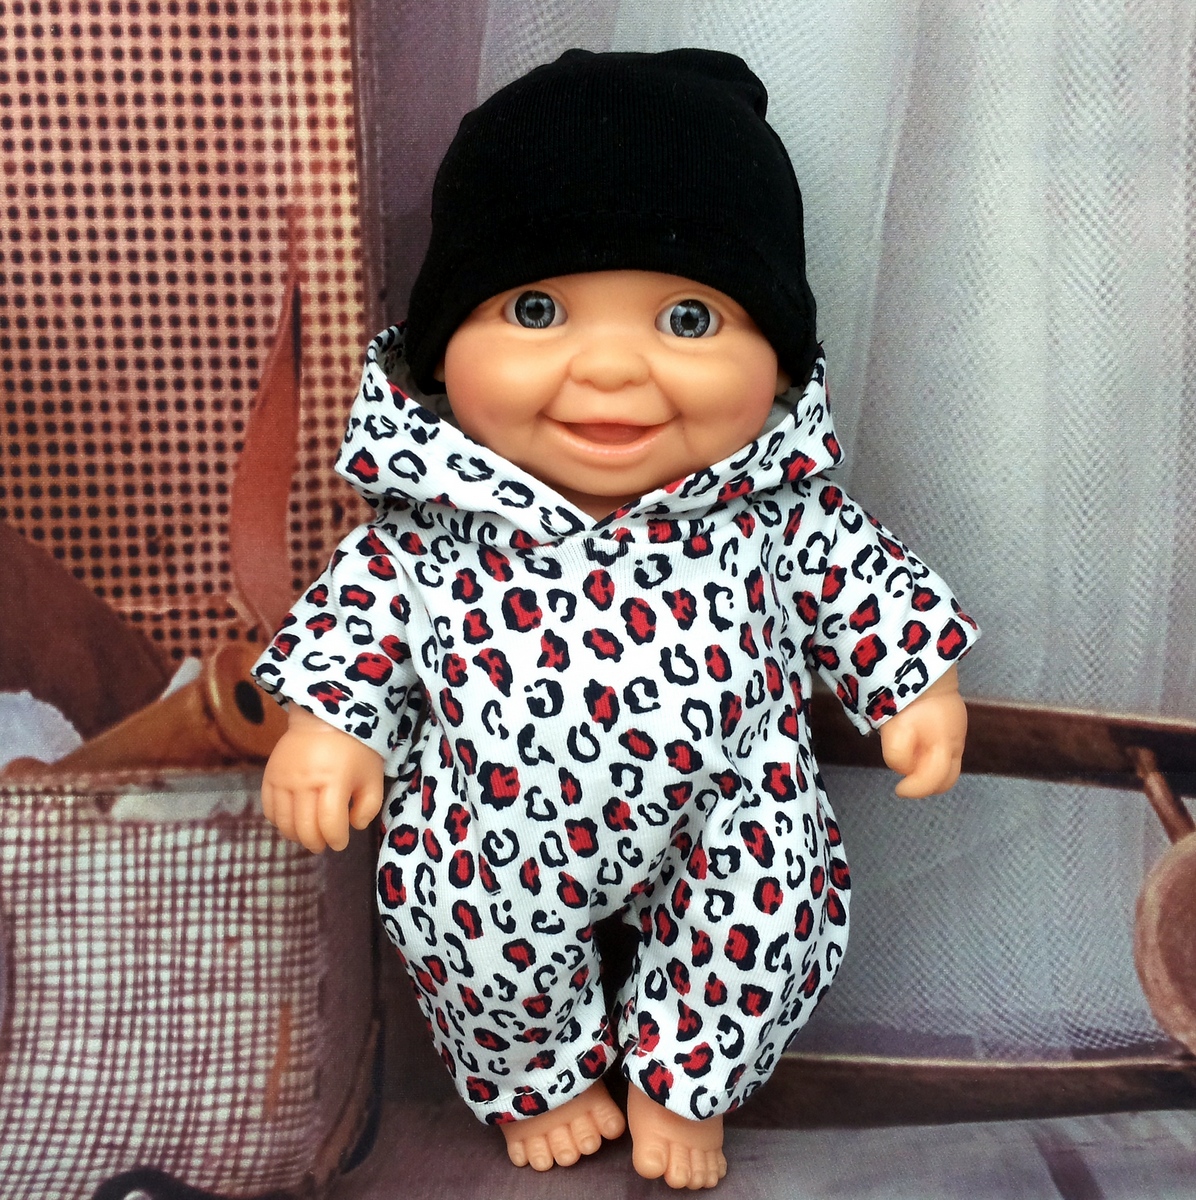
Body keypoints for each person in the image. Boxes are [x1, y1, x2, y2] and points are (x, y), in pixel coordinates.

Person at [251, 48, 978, 1190]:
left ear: (774, 361)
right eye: (536, 311)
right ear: (444, 350)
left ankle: (685, 1083)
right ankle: (537, 1077)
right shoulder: (433, 524)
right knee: (463, 924)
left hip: (729, 798)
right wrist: (325, 729)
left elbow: (860, 584)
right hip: (492, 813)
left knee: (771, 907)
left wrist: (917, 686)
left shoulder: (770, 509)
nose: (607, 368)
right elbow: (358, 620)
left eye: (687, 318)